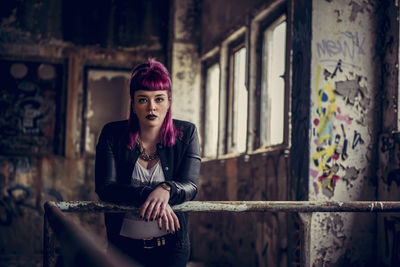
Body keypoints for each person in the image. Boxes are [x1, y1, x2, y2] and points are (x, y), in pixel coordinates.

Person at [95, 59, 201, 267]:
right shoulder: (112, 134)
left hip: (172, 249)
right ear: (133, 104)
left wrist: (166, 189)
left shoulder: (187, 133)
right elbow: (105, 188)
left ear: (169, 102)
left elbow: (191, 185)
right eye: (143, 100)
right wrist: (151, 196)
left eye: (159, 99)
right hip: (123, 248)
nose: (152, 107)